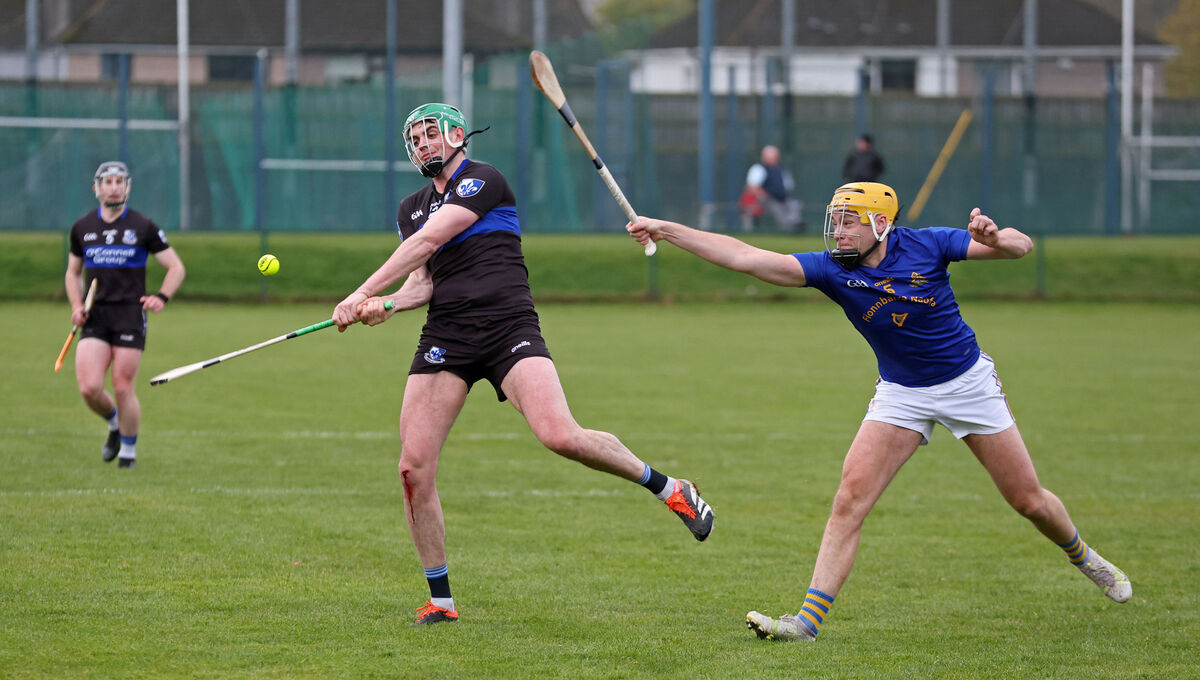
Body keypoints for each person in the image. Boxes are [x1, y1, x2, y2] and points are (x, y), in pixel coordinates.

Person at [627, 181, 1131, 642]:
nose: (839, 231)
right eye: (836, 220)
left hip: (967, 384)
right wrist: (668, 230)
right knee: (849, 499)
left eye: (850, 221)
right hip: (901, 393)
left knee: (1028, 501)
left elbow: (1022, 248)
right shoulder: (831, 270)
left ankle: (1084, 557)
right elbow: (745, 257)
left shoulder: (929, 243)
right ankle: (805, 624)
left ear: (880, 225)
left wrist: (994, 237)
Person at [331, 103, 714, 626]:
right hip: (447, 336)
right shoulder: (410, 206)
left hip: (508, 327)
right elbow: (423, 279)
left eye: (428, 135)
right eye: (413, 139)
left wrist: (361, 290)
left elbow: (431, 240)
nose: (421, 146)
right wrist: (387, 306)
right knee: (412, 468)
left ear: (457, 136)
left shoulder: (483, 181)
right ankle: (441, 602)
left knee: (561, 435)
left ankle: (669, 488)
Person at [66, 161, 186, 469]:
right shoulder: (82, 228)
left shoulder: (143, 226)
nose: (114, 186)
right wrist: (77, 305)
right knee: (89, 388)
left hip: (130, 314)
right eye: (107, 181)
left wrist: (161, 296)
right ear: (97, 188)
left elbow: (176, 267)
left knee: (122, 386)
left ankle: (128, 455)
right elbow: (73, 273)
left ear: (127, 187)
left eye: (120, 181)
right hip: (96, 316)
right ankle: (115, 424)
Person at [739, 145, 803, 232]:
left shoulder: (781, 170)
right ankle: (788, 229)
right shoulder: (759, 169)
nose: (773, 159)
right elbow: (752, 187)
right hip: (767, 199)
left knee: (794, 205)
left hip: (781, 198)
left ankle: (796, 224)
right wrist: (765, 196)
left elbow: (788, 186)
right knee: (776, 207)